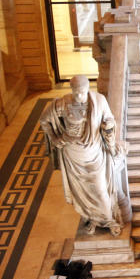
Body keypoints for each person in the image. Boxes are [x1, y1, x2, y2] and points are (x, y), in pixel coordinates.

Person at [39, 75, 123, 236]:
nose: (79, 96)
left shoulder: (98, 101)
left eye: (82, 92)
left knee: (100, 190)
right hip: (73, 156)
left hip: (94, 154)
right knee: (82, 194)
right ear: (71, 90)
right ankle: (92, 219)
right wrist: (56, 139)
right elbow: (44, 120)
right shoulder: (62, 104)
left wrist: (110, 125)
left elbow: (109, 118)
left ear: (87, 89)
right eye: (76, 92)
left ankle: (109, 220)